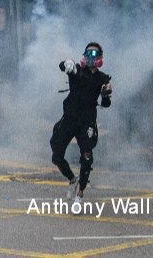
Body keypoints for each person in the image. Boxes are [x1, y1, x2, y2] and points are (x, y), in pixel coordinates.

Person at [51, 42, 112, 209]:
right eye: (88, 54)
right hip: (70, 118)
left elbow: (106, 104)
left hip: (87, 121)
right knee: (56, 155)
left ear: (99, 58)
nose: (90, 58)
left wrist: (106, 93)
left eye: (94, 55)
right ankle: (72, 179)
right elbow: (63, 65)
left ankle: (80, 194)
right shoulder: (77, 70)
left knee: (86, 157)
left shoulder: (102, 78)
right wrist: (66, 64)